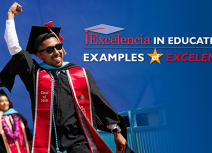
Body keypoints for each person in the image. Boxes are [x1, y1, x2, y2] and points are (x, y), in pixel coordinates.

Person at [0, 2, 133, 153]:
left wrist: (116, 132)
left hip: (79, 143)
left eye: (58, 47)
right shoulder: (34, 75)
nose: (56, 52)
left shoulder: (80, 73)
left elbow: (100, 103)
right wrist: (10, 16)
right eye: (49, 49)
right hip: (48, 144)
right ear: (39, 55)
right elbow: (15, 49)